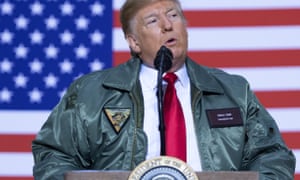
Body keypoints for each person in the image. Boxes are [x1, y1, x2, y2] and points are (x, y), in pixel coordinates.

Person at [32, 0, 296, 179]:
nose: (168, 25)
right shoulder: (91, 93)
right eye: (152, 20)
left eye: (173, 15)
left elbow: (272, 156)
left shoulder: (233, 91)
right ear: (134, 42)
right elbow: (54, 156)